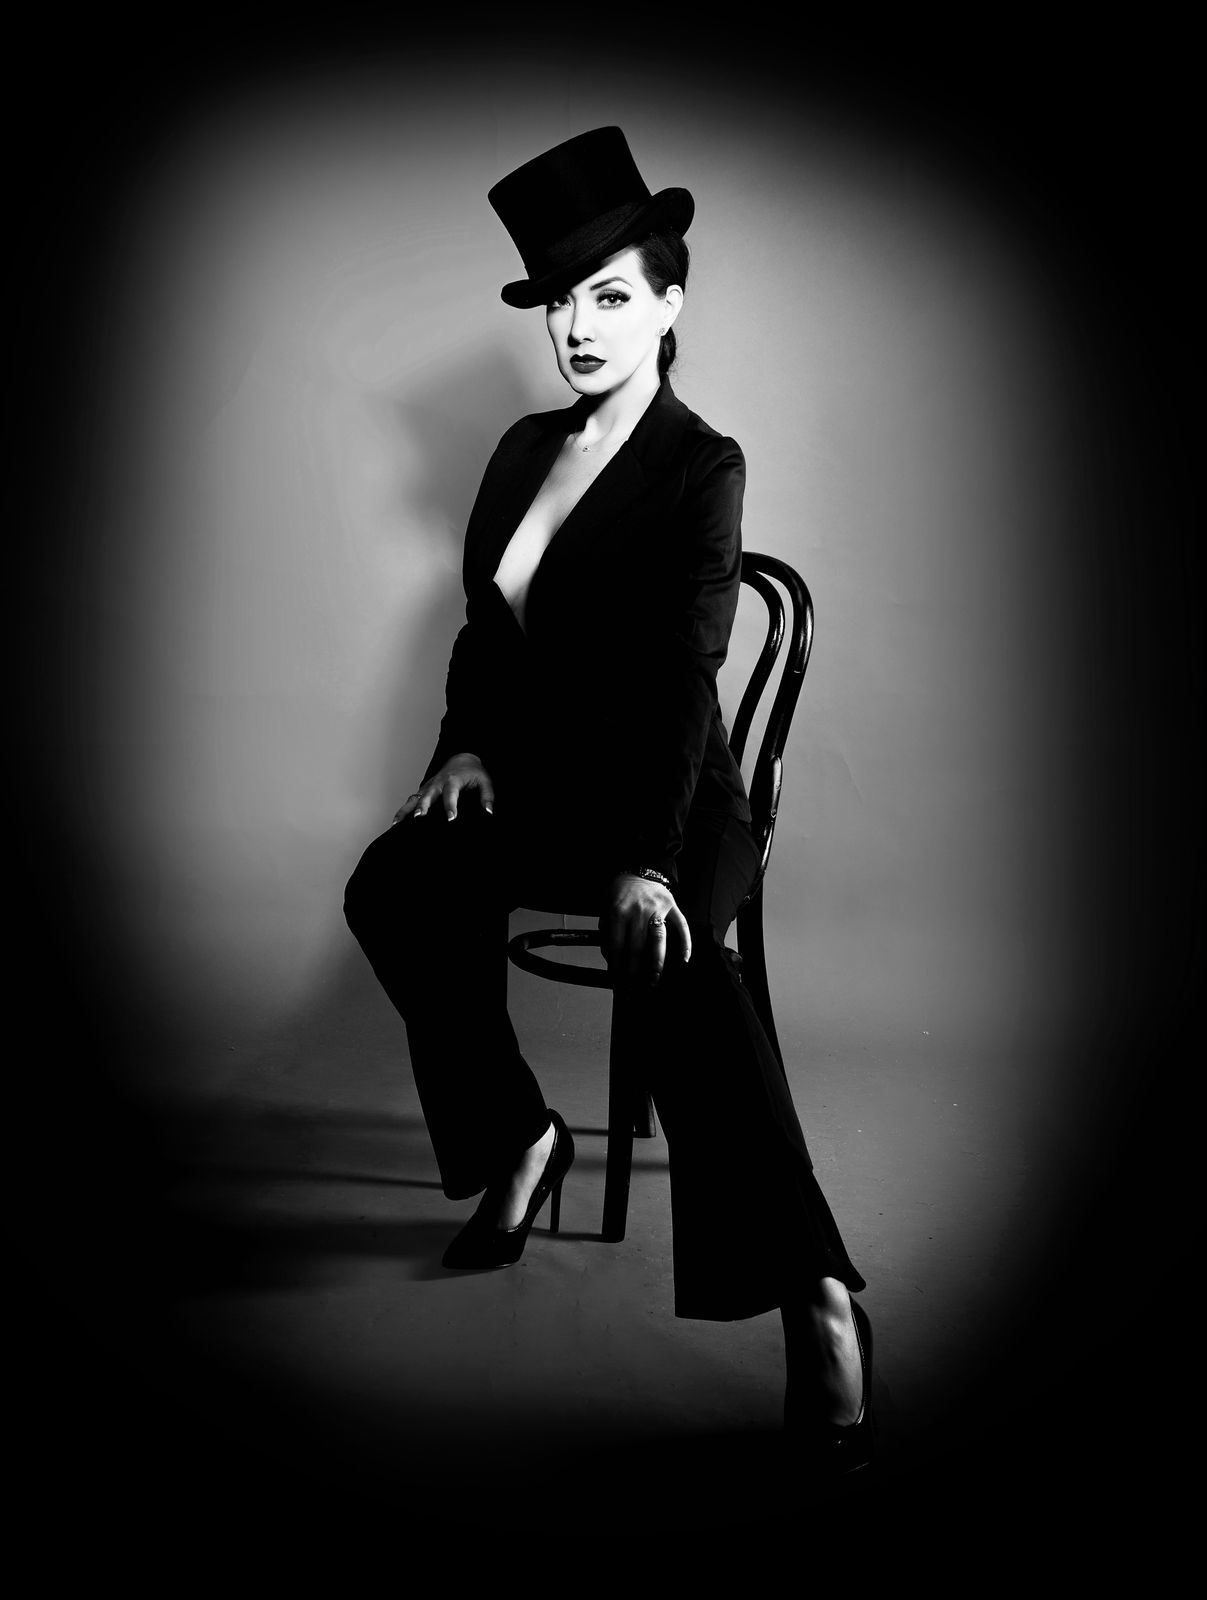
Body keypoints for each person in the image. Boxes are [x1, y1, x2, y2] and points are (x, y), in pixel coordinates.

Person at [344, 126, 874, 1476]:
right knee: (396, 881)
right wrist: (465, 748)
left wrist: (649, 862)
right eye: (562, 304)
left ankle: (815, 1295)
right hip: (545, 791)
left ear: (669, 303)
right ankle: (521, 1138)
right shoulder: (524, 449)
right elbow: (486, 632)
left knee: (674, 957)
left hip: (673, 802)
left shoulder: (703, 465)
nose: (580, 328)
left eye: (612, 296)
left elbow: (687, 680)